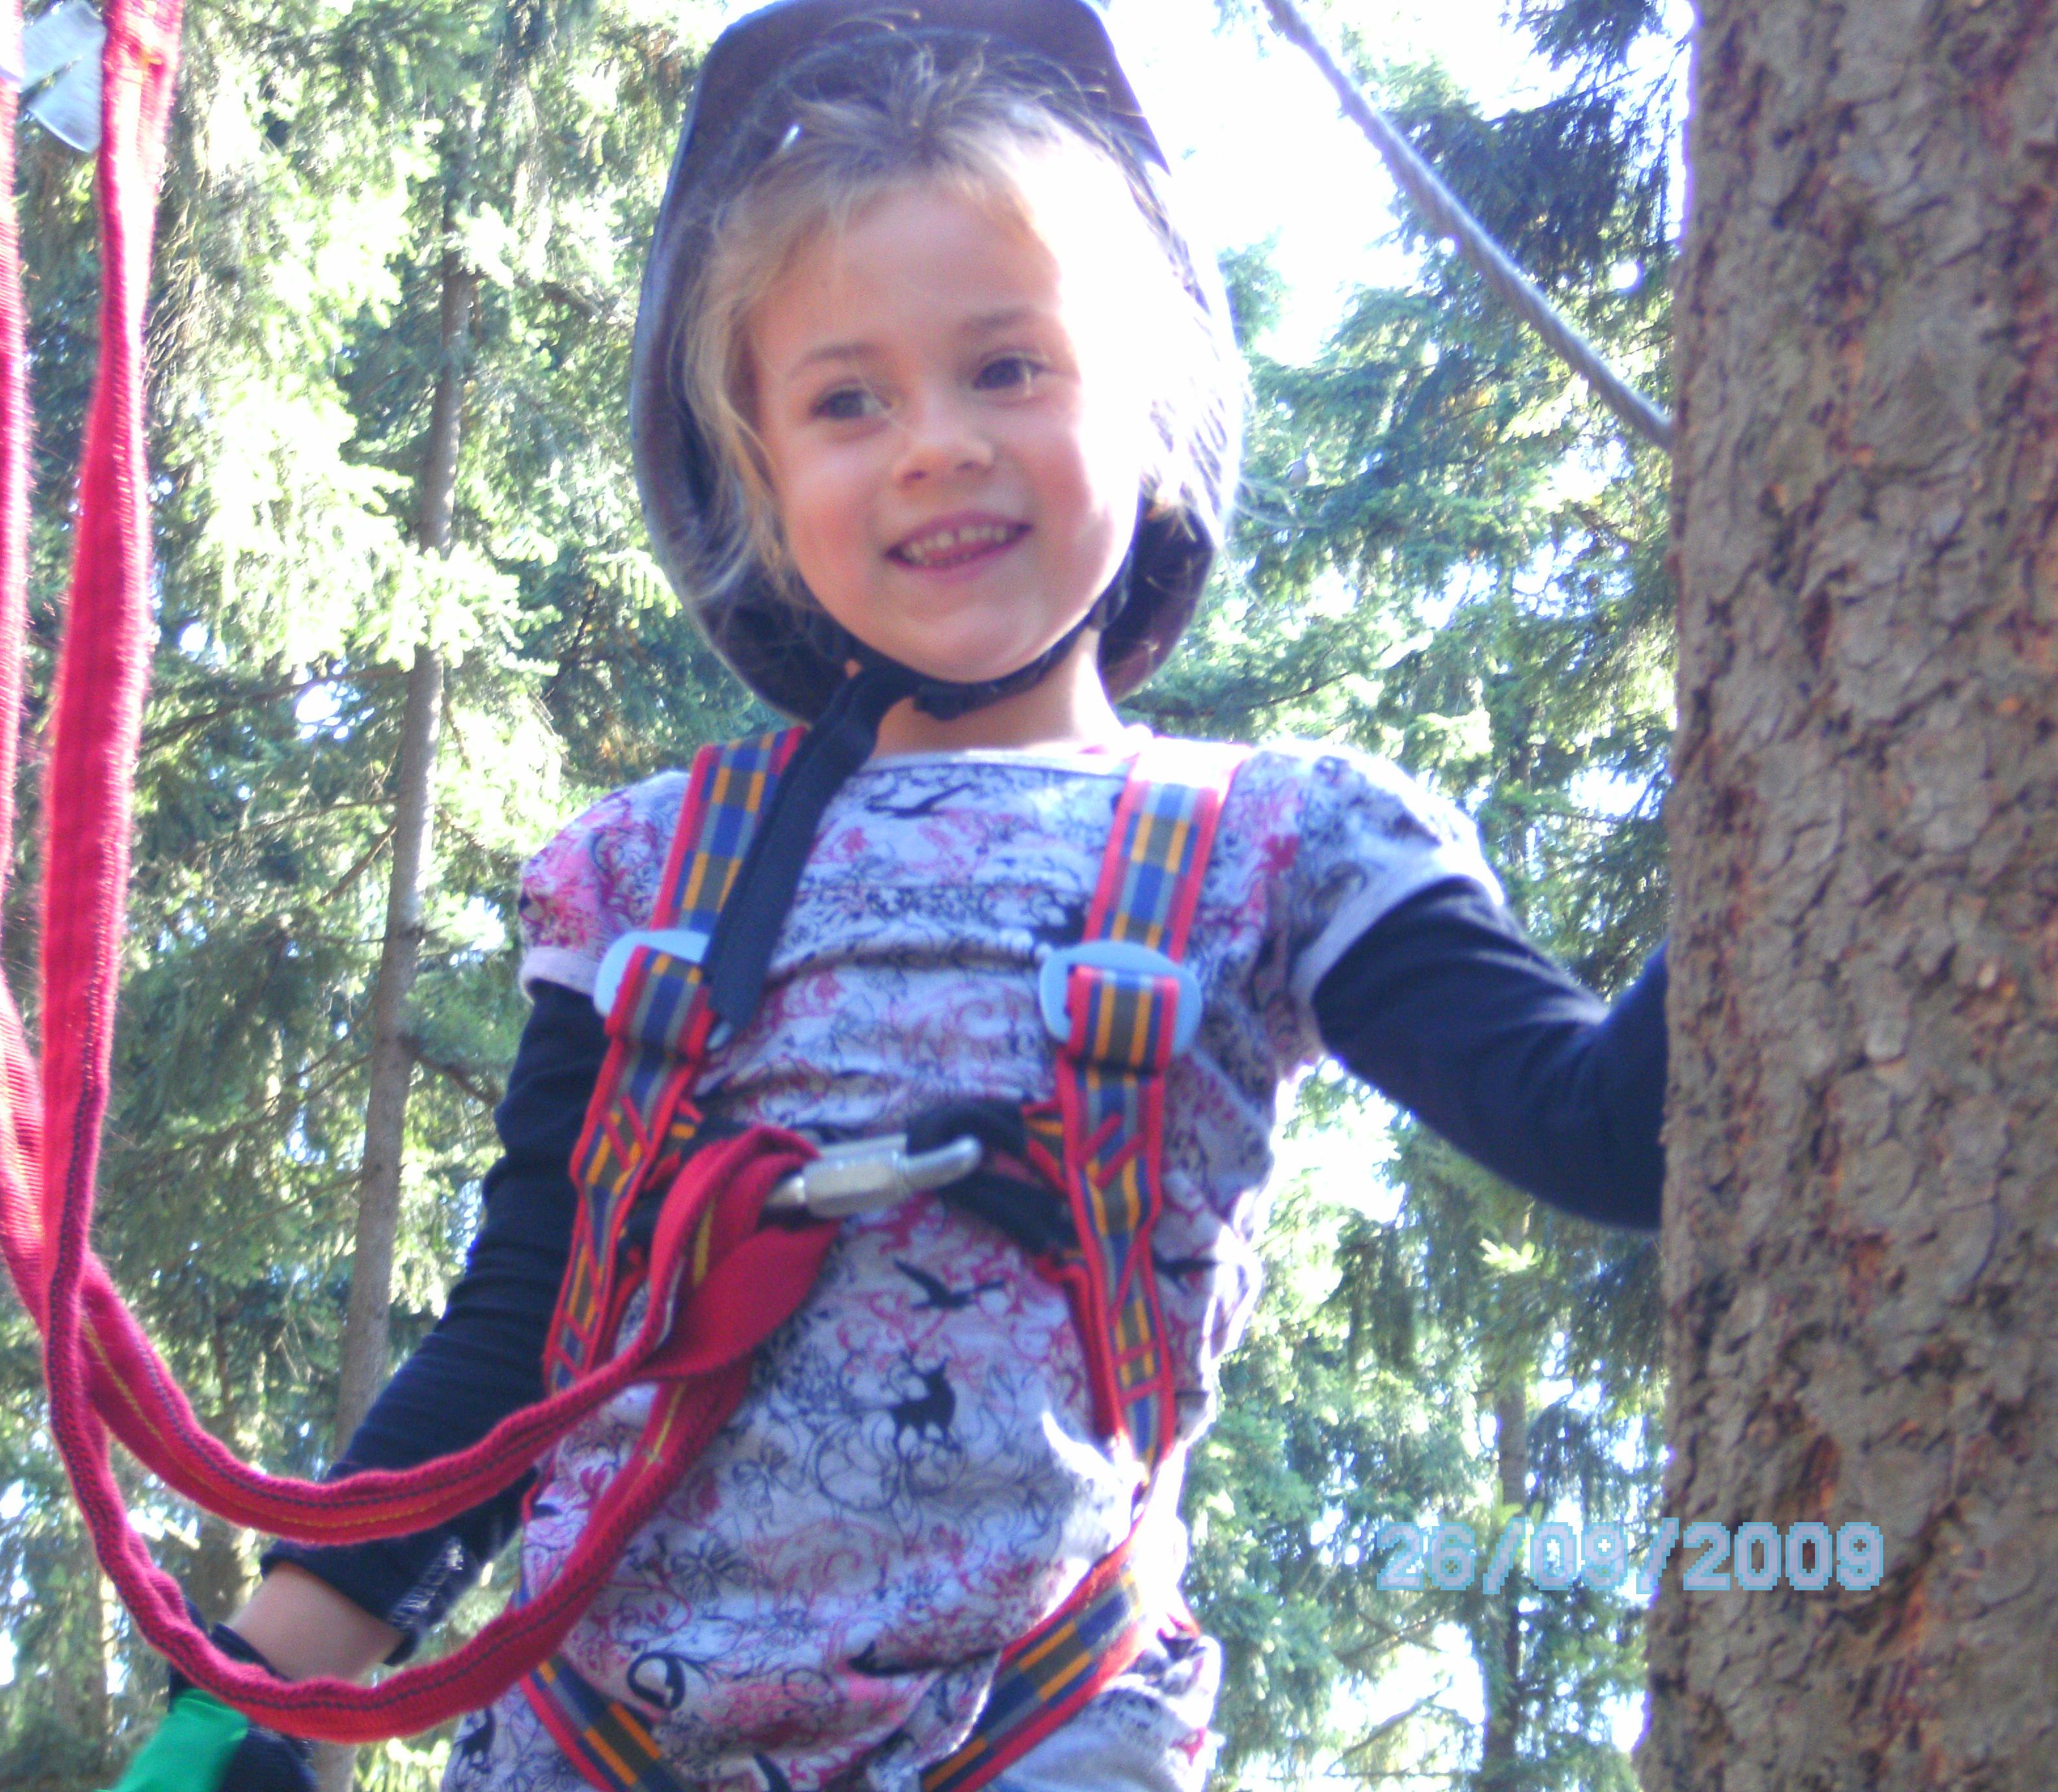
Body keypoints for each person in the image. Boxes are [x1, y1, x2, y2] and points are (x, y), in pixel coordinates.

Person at [109, 3, 1666, 1788]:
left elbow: (1605, 1130)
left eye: (1008, 368)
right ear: (763, 482)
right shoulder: (639, 884)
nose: (931, 444)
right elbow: (528, 1320)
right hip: (597, 1743)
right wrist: (258, 1692)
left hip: (1037, 1732)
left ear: (1150, 410)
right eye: (847, 400)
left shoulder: (1290, 848)